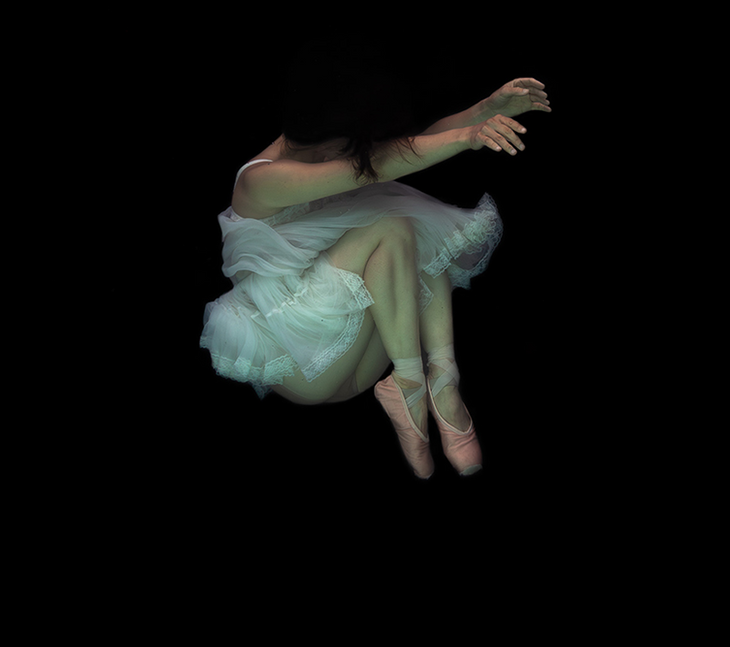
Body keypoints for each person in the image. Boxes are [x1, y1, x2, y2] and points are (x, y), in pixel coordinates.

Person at [199, 63, 552, 478]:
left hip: (354, 356)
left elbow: (411, 145)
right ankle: (411, 382)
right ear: (323, 145)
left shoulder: (326, 142)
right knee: (390, 216)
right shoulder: (261, 181)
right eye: (345, 147)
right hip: (300, 362)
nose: (353, 151)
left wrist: (486, 109)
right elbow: (380, 166)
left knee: (407, 224)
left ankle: (439, 381)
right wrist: (468, 136)